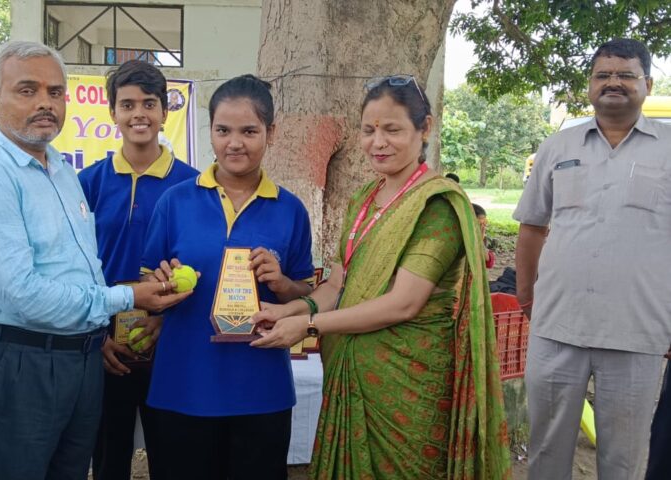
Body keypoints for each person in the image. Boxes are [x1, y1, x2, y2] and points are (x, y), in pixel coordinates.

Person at [0, 41, 189, 480]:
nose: (45, 103)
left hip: (80, 357)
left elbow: (81, 266)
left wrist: (99, 331)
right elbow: (23, 295)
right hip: (20, 357)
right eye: (28, 90)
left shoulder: (59, 171)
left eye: (55, 92)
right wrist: (126, 298)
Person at [251, 75, 510, 479]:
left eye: (392, 130)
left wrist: (309, 325)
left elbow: (403, 303)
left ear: (425, 128)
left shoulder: (437, 206)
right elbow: (337, 285)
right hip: (353, 377)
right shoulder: (363, 200)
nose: (378, 142)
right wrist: (290, 310)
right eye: (368, 130)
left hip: (410, 386)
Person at [140, 74, 315, 480]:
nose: (234, 143)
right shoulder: (175, 201)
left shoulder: (290, 209)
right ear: (211, 132)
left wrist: (281, 282)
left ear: (271, 133)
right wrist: (161, 284)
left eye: (249, 131)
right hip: (183, 384)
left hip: (261, 388)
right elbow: (145, 286)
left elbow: (305, 291)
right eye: (223, 130)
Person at [514, 38, 671, 479]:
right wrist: (526, 296)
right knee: (546, 451)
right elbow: (532, 226)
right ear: (590, 84)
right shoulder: (558, 147)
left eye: (625, 75)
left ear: (648, 84)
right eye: (603, 75)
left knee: (622, 459)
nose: (613, 82)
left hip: (637, 331)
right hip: (556, 327)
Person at [77, 59, 198, 480]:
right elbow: (74, 265)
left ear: (165, 111)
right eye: (127, 105)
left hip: (170, 341)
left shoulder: (194, 186)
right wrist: (98, 335)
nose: (138, 114)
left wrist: (166, 322)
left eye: (149, 103)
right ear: (112, 112)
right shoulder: (88, 182)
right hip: (105, 343)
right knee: (108, 458)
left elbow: (202, 264)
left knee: (173, 458)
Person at [473, 203, 496, 269]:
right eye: (480, 224)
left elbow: (489, 262)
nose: (484, 227)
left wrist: (480, 239)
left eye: (484, 223)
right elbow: (488, 261)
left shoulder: (480, 238)